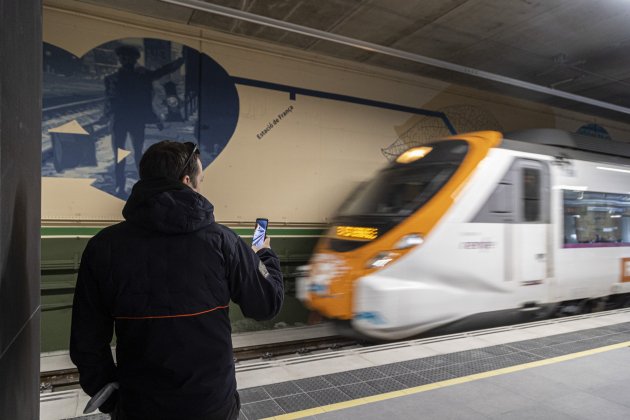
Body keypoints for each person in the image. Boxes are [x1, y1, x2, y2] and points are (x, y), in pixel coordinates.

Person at [70, 141, 284, 419]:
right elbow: (267, 304)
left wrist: (113, 401)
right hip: (211, 406)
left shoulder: (103, 247)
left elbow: (86, 343)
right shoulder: (223, 242)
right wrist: (264, 255)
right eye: (200, 180)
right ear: (187, 181)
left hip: (139, 408)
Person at [103, 45, 185, 195]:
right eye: (123, 57)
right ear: (120, 59)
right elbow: (109, 101)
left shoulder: (140, 76)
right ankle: (120, 185)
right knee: (122, 154)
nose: (125, 59)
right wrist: (106, 117)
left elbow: (162, 71)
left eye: (128, 57)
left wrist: (180, 61)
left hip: (131, 120)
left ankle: (140, 184)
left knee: (137, 153)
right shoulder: (112, 79)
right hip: (123, 121)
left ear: (134, 59)